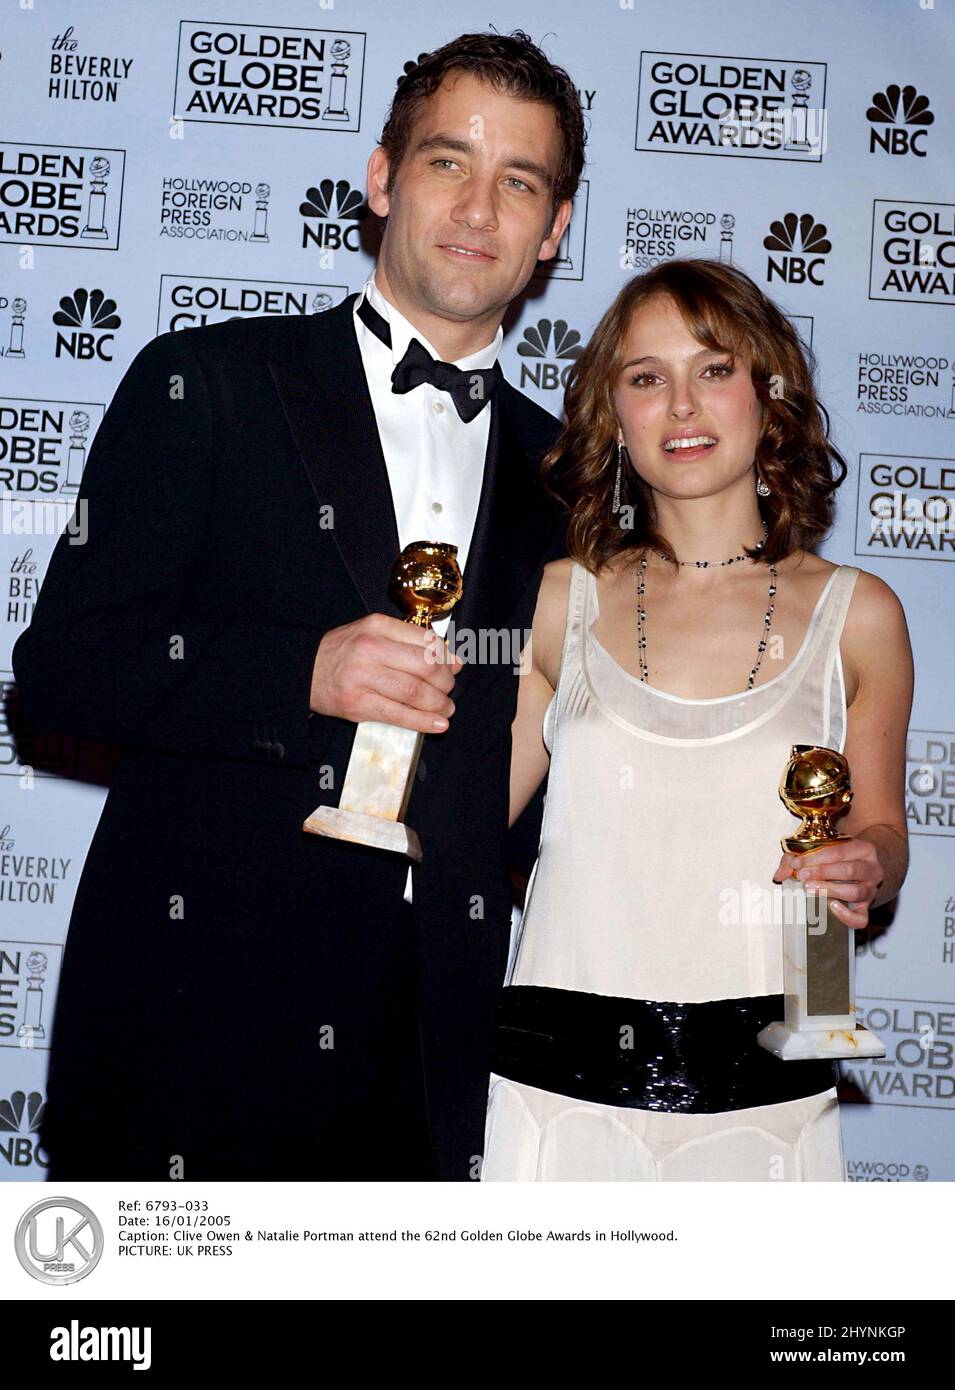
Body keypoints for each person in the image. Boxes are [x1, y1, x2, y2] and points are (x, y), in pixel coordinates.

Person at [11, 31, 584, 1181]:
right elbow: (64, 667)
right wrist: (300, 673)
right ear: (380, 180)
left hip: (420, 1064)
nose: (480, 206)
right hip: (190, 1027)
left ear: (554, 228)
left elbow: (537, 771)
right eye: (445, 162)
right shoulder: (210, 383)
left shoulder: (568, 478)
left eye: (519, 181)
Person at [481, 257, 913, 1182]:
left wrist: (868, 863)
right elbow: (465, 824)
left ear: (768, 393)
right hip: (554, 1100)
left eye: (712, 368)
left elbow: (880, 836)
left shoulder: (858, 614)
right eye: (646, 378)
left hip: (762, 1105)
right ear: (614, 418)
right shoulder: (561, 602)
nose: (681, 405)